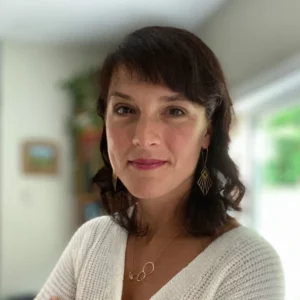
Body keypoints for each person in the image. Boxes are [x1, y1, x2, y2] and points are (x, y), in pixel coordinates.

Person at [35, 26, 284, 300]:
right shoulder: (90, 240)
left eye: (174, 111)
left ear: (208, 132)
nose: (143, 138)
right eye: (125, 109)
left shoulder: (248, 264)